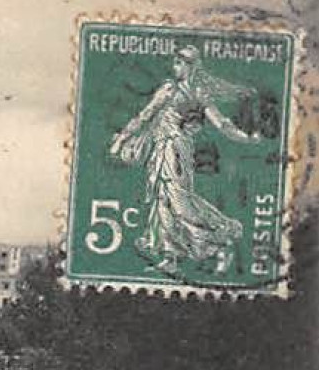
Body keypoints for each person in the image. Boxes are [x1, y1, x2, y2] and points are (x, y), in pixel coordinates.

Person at [109, 45, 258, 276]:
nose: (175, 67)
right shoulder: (167, 90)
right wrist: (122, 139)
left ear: (192, 66)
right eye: (175, 62)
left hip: (179, 152)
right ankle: (171, 257)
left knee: (180, 202)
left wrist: (245, 138)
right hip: (161, 151)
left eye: (180, 63)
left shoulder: (200, 94)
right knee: (162, 201)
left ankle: (222, 232)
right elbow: (144, 116)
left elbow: (221, 123)